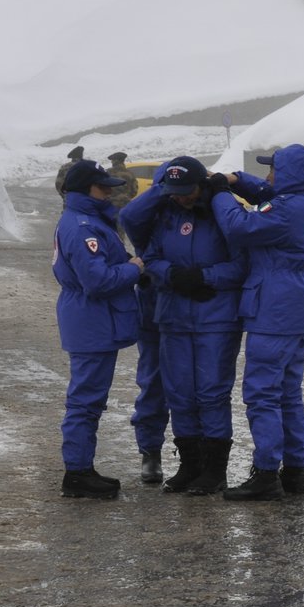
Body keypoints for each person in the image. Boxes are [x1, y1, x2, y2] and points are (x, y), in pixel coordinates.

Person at [122, 157, 249, 495]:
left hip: (216, 315)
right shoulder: (165, 213)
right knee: (179, 392)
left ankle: (214, 470)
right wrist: (173, 274)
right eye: (173, 192)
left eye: (186, 190)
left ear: (202, 186)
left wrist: (205, 277)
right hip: (173, 314)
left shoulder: (224, 213)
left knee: (210, 392)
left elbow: (243, 264)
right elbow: (149, 253)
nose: (181, 198)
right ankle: (189, 465)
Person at [206, 144, 304, 499]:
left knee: (262, 394)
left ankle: (266, 473)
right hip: (293, 305)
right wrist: (236, 179)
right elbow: (266, 193)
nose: (269, 175)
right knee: (288, 394)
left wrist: (220, 193)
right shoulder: (301, 201)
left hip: (274, 309)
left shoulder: (285, 211)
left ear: (288, 175)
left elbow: (238, 226)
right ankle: (295, 472)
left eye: (274, 170)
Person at [52, 159, 144, 498]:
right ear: (84, 189)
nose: (108, 191)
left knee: (89, 400)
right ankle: (77, 473)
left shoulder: (87, 220)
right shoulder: (82, 226)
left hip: (92, 318)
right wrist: (134, 268)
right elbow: (98, 280)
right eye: (102, 186)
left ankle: (81, 469)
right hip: (92, 319)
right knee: (85, 401)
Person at [118, 162, 171, 485]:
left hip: (193, 309)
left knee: (197, 387)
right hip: (152, 308)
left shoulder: (201, 212)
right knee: (153, 384)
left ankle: (197, 455)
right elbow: (128, 216)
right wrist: (161, 189)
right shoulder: (146, 220)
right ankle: (150, 451)